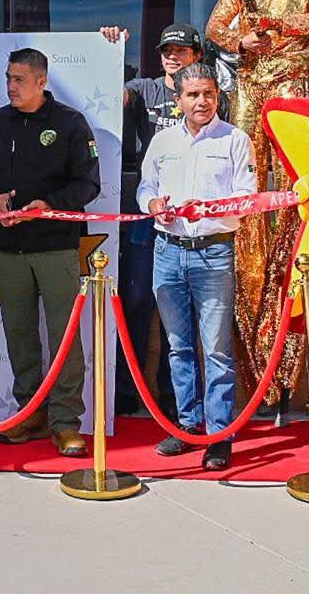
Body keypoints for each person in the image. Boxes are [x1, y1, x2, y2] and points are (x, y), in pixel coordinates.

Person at [205, 0, 309, 416]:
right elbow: (216, 27)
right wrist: (243, 38)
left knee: (292, 187)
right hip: (252, 84)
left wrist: (277, 23)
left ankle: (287, 351)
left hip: (292, 84)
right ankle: (251, 347)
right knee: (247, 184)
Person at [0, 48, 101, 457]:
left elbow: (88, 184)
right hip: (8, 249)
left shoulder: (70, 123)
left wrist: (49, 205)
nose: (11, 86)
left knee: (63, 338)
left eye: (19, 79)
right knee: (19, 334)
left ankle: (66, 422)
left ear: (41, 81)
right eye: (8, 77)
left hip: (56, 247)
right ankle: (29, 412)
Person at [136, 63, 254, 470]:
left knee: (216, 349)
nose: (201, 101)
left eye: (208, 94)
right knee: (178, 346)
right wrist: (153, 204)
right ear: (178, 99)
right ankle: (187, 427)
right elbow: (146, 187)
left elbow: (247, 198)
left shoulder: (235, 139)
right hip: (167, 252)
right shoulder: (163, 140)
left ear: (217, 96)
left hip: (214, 253)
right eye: (193, 95)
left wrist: (211, 209)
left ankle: (219, 436)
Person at [98, 23, 218, 417]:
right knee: (135, 301)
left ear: (195, 55)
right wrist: (112, 52)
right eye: (167, 50)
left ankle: (172, 395)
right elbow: (113, 95)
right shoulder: (145, 89)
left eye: (181, 50)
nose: (172, 56)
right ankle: (126, 391)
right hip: (145, 211)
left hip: (191, 217)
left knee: (179, 306)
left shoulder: (206, 94)